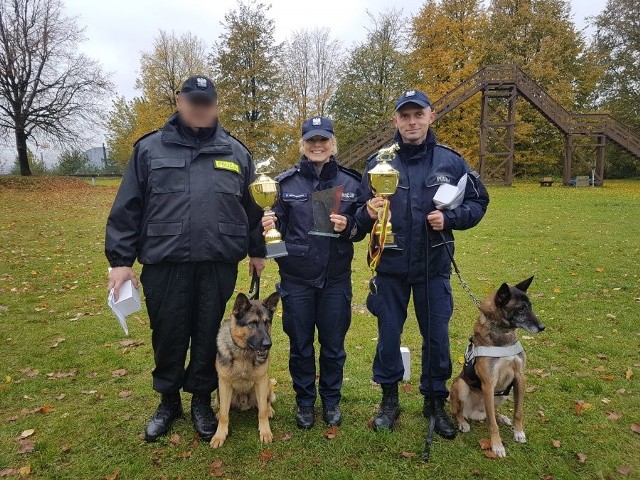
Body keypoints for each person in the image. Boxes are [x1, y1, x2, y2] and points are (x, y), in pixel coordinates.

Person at [105, 75, 265, 442]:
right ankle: (168, 400)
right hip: (166, 263)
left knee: (208, 334)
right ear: (179, 101)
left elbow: (253, 208)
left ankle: (201, 400)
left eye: (206, 102)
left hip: (217, 262)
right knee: (168, 334)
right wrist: (120, 260)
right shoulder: (149, 150)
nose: (199, 108)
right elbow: (128, 206)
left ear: (216, 106)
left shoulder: (236, 153)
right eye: (192, 101)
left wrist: (258, 249)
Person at [354, 89, 489, 436]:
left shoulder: (451, 161)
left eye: (418, 114)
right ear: (396, 120)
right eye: (405, 116)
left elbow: (478, 201)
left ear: (431, 116)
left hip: (434, 267)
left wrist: (452, 218)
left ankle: (434, 403)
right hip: (391, 268)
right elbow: (358, 212)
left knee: (436, 339)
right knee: (387, 337)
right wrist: (368, 214)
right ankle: (389, 401)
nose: (412, 122)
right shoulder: (378, 163)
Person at [261, 117, 365, 429]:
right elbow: (274, 225)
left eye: (323, 140)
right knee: (301, 346)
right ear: (303, 145)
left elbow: (365, 226)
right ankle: (305, 402)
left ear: (333, 144)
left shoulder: (352, 182)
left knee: (333, 347)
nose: (317, 146)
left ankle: (331, 401)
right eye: (311, 141)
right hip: (297, 280)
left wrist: (351, 227)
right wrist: (268, 226)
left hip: (335, 280)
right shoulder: (284, 184)